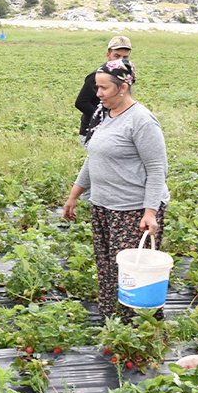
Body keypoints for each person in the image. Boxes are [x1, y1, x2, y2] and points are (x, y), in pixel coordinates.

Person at [62, 59, 169, 322]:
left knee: (134, 274)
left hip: (133, 210)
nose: (97, 94)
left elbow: (157, 169)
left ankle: (140, 328)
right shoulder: (103, 114)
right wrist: (74, 195)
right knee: (108, 268)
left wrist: (150, 212)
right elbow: (93, 158)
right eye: (97, 88)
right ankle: (113, 322)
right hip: (103, 206)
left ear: (123, 88)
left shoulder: (142, 121)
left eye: (103, 88)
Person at [75, 36, 132, 146]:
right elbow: (81, 103)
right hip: (92, 130)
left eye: (125, 57)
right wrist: (105, 118)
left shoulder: (125, 76)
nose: (120, 60)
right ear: (108, 54)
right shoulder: (98, 76)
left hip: (113, 128)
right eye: (116, 55)